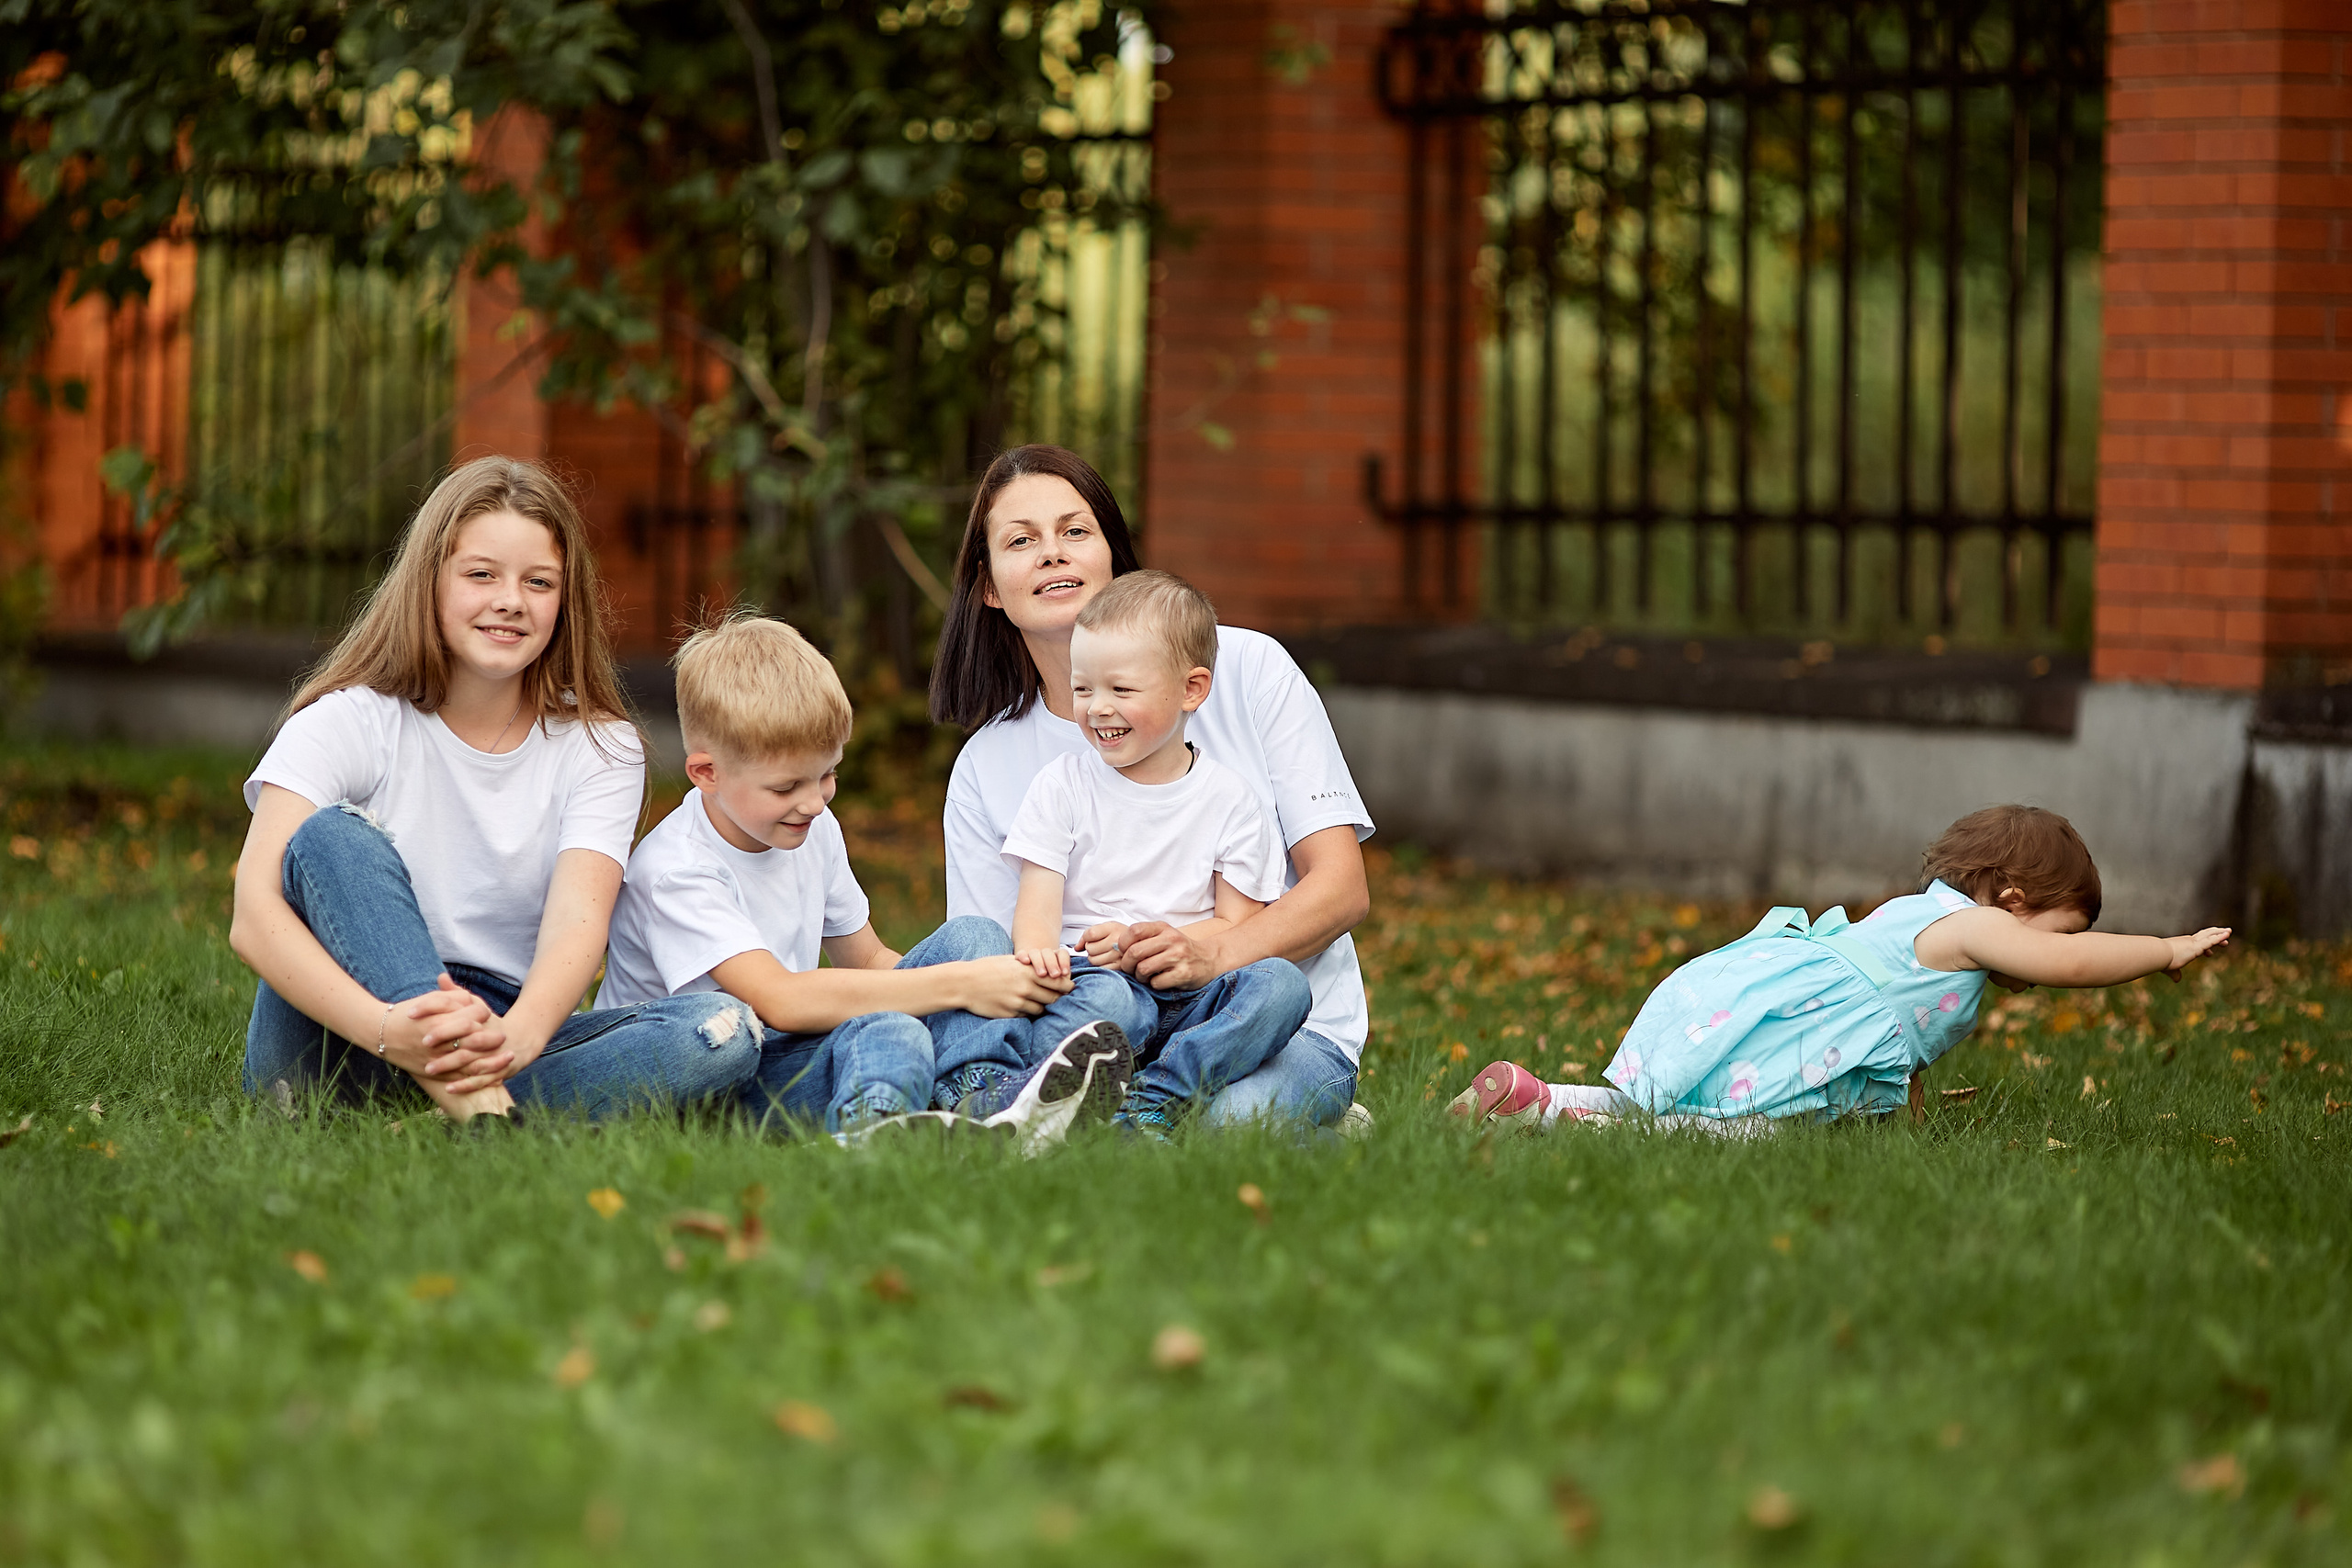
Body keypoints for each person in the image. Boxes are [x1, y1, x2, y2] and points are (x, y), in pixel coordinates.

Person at [231, 457, 756, 1122]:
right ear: (431, 581)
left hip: (502, 1029)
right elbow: (253, 918)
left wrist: (517, 1038)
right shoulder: (349, 718)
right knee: (330, 834)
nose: (510, 599)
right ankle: (474, 1104)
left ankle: (456, 1104)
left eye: (538, 582)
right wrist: (398, 1033)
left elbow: (578, 922)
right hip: (340, 1032)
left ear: (565, 601)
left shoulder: (601, 746)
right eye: (481, 574)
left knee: (722, 1030)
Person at [931, 445, 1374, 1133]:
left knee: (1226, 1125)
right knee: (1135, 1101)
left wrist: (1211, 953)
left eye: (1075, 531)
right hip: (1093, 1025)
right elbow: (999, 963)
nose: (1053, 553)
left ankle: (1259, 1117)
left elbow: (1342, 887)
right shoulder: (988, 766)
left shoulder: (1246, 667)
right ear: (989, 586)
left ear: (1114, 558)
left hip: (1273, 1026)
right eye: (1022, 541)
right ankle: (1042, 1109)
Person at [601, 614, 1134, 1141]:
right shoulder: (677, 870)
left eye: (828, 773)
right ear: (707, 773)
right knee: (890, 1026)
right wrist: (964, 986)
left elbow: (871, 961)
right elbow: (779, 1000)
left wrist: (965, 998)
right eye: (786, 787)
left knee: (975, 938)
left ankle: (979, 1095)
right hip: (713, 1082)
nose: (813, 801)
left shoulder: (812, 827)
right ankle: (874, 1133)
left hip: (790, 1043)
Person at [1448, 805, 2234, 1132]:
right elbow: (2065, 963)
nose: (2045, 952)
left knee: (1679, 1106)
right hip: (1795, 1028)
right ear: (2016, 900)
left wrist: (1907, 1121)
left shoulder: (1924, 915)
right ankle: (1556, 1116)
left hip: (1777, 1004)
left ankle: (1534, 1095)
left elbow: (1897, 1042)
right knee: (1734, 1136)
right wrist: (2165, 951)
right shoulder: (1979, 925)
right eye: (2057, 926)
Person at [1001, 571, 1313, 1139]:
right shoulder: (1063, 784)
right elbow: (1036, 914)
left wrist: (1160, 944)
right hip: (1094, 987)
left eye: (1121, 691)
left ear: (1192, 689)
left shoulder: (1230, 800)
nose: (1097, 708)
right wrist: (1057, 957)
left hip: (1191, 997)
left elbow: (1235, 929)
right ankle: (1041, 1094)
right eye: (1083, 688)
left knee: (1282, 985)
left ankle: (1150, 1102)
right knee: (1124, 1006)